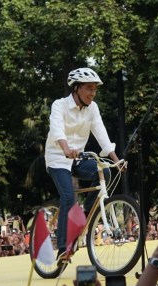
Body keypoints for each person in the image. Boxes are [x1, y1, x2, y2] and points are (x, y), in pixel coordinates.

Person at [45, 67, 123, 258]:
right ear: (76, 88)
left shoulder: (93, 108)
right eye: (89, 88)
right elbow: (57, 130)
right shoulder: (59, 105)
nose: (92, 93)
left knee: (105, 172)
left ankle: (85, 217)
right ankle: (63, 247)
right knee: (69, 197)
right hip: (57, 158)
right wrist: (65, 149)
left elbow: (101, 133)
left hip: (78, 158)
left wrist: (116, 159)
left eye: (94, 89)